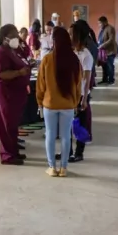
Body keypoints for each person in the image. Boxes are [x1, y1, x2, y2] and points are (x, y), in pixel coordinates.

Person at [36, 27, 82, 178]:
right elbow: (78, 85)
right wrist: (75, 102)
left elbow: (41, 84)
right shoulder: (74, 60)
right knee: (65, 136)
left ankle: (52, 167)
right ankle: (64, 168)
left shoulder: (47, 60)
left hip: (50, 104)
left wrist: (39, 102)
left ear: (54, 41)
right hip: (68, 105)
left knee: (50, 134)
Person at [0, 24, 31, 165]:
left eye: (17, 35)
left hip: (15, 94)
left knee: (13, 125)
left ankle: (14, 152)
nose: (16, 38)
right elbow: (1, 74)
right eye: (13, 36)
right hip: (4, 94)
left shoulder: (13, 51)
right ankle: (7, 155)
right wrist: (19, 73)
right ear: (4, 38)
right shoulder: (0, 53)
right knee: (6, 125)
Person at [71, 21, 95, 163]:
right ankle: (67, 151)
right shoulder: (73, 52)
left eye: (72, 34)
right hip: (71, 93)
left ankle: (79, 152)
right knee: (68, 124)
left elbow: (86, 79)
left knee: (80, 124)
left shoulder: (86, 55)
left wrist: (84, 99)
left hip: (80, 95)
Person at [97, 16, 118, 85]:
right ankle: (105, 79)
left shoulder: (110, 28)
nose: (99, 25)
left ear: (105, 22)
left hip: (110, 51)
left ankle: (111, 80)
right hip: (104, 51)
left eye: (100, 23)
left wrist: (102, 45)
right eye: (99, 23)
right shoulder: (102, 29)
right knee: (104, 66)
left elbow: (111, 39)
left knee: (110, 66)